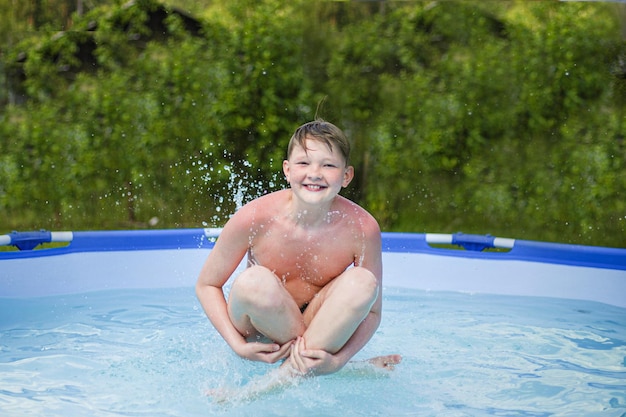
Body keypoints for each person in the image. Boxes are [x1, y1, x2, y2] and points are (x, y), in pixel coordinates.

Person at [196, 120, 401, 382]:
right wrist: (237, 345)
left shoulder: (362, 228)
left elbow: (372, 311)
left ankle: (270, 384)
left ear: (346, 176)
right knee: (253, 282)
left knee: (364, 282)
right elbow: (207, 284)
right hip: (260, 331)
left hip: (319, 328)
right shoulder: (254, 217)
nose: (314, 173)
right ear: (287, 169)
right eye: (304, 163)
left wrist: (339, 360)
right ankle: (306, 370)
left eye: (328, 165)